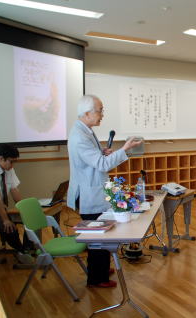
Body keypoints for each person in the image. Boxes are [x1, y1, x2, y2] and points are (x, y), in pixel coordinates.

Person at [67, 95, 142, 288]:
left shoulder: (84, 130)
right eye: (100, 110)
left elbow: (92, 158)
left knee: (101, 231)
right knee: (97, 235)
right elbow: (100, 165)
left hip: (92, 188)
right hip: (88, 193)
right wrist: (124, 149)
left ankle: (100, 268)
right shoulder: (79, 136)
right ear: (87, 113)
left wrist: (101, 151)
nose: (102, 115)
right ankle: (96, 278)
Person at [0, 145, 33, 264]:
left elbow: (14, 191)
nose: (12, 165)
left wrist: (26, 210)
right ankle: (22, 252)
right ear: (1, 159)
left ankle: (26, 250)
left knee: (30, 220)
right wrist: (5, 220)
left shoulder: (9, 170)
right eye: (11, 161)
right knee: (9, 228)